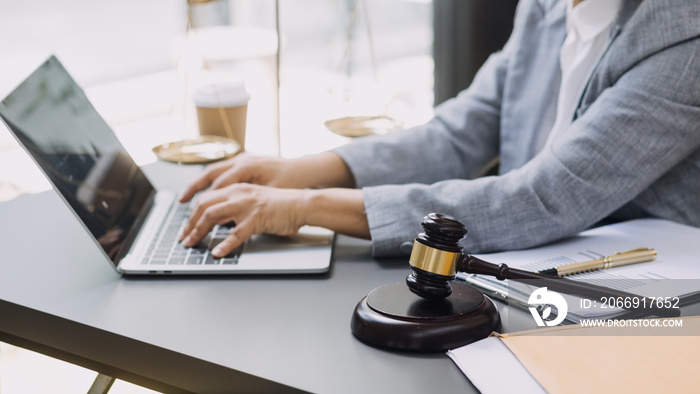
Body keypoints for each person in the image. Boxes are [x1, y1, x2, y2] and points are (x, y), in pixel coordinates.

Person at [179, 0, 700, 259]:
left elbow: (544, 198)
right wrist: (303, 170)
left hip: (637, 309)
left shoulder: (683, 37)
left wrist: (305, 207)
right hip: (524, 270)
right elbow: (458, 133)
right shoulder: (552, 6)